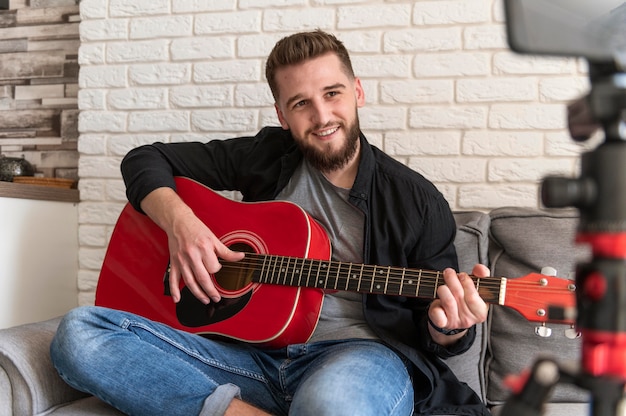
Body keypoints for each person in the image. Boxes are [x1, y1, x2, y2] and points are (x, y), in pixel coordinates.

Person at [50, 30, 490, 416]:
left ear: (358, 91)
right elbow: (145, 159)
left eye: (332, 93)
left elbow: (437, 333)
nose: (321, 117)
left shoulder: (417, 201)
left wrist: (447, 326)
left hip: (358, 358)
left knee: (329, 407)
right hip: (244, 358)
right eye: (301, 103)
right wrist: (182, 225)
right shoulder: (267, 155)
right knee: (80, 333)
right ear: (282, 114)